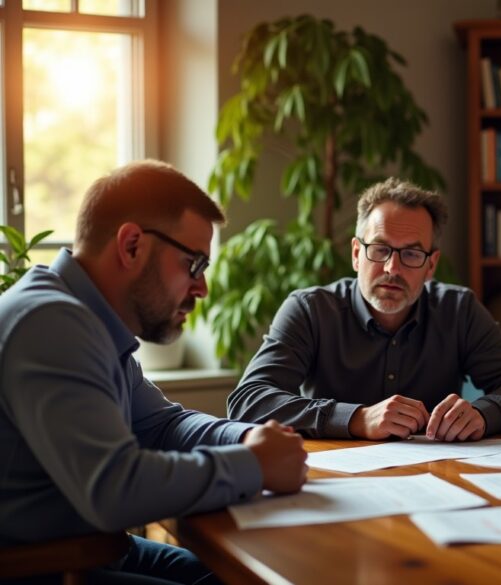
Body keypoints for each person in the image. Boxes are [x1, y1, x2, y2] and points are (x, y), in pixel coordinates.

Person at [0, 160, 308, 584]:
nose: (201, 288)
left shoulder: (90, 320)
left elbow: (164, 425)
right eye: (194, 264)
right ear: (131, 246)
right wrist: (254, 464)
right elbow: (116, 489)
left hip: (86, 550)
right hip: (39, 568)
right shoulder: (52, 322)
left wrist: (246, 437)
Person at [228, 177, 501, 441]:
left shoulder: (458, 310)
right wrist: (356, 418)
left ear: (431, 265)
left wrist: (482, 414)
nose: (393, 268)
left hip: (435, 475)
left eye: (412, 254)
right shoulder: (310, 310)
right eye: (380, 249)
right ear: (355, 254)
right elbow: (248, 401)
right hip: (334, 478)